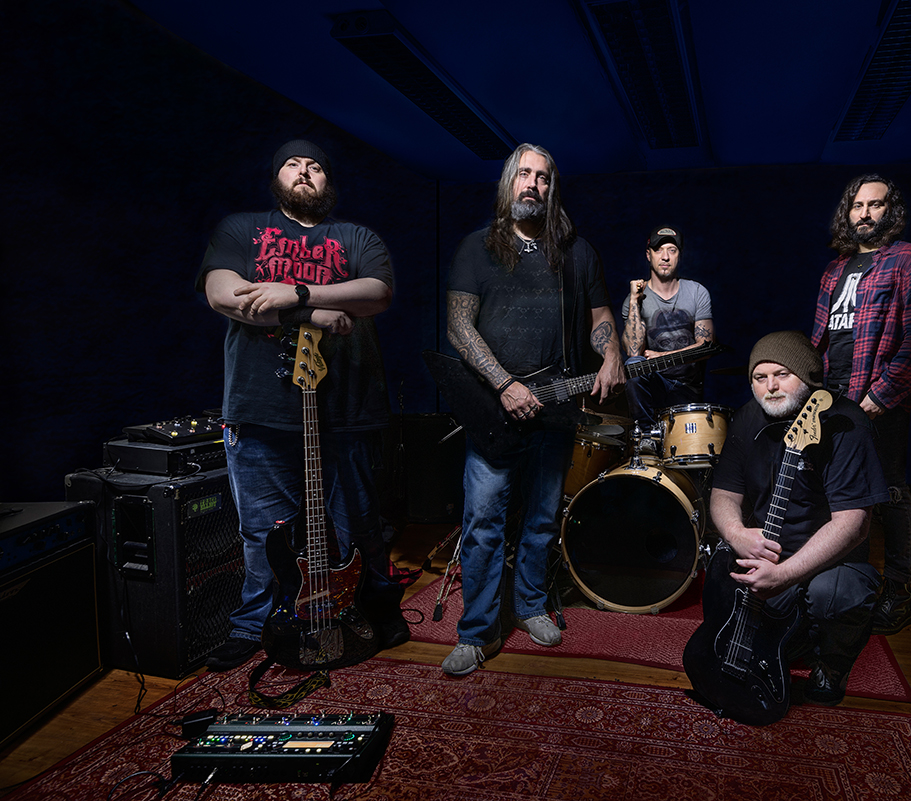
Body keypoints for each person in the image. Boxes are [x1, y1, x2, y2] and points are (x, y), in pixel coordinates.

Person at [197, 139, 407, 671]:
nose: (306, 171)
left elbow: (377, 292)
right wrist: (312, 315)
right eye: (294, 164)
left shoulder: (356, 236)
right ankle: (256, 625)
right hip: (258, 405)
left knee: (358, 522)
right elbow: (224, 294)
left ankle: (374, 611)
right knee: (264, 532)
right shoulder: (241, 230)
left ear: (327, 181)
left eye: (316, 166)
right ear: (278, 178)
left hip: (347, 407)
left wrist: (296, 293)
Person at [442, 143, 624, 677]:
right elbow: (458, 326)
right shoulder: (476, 248)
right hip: (494, 410)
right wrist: (503, 384)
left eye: (543, 178)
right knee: (483, 524)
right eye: (524, 174)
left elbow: (600, 315)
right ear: (508, 183)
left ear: (551, 189)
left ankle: (529, 606)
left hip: (557, 408)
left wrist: (611, 350)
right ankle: (476, 633)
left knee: (542, 521)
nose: (533, 185)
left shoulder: (576, 251)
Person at [707, 330, 889, 706]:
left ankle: (832, 664)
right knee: (719, 565)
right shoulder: (746, 419)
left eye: (782, 374)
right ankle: (781, 638)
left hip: (827, 560)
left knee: (835, 595)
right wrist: (738, 533)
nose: (770, 386)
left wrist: (785, 575)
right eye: (760, 377)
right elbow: (723, 495)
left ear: (808, 377)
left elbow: (852, 523)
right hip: (768, 551)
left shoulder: (845, 423)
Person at [811, 174, 911, 635]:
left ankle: (899, 591)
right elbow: (819, 342)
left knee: (888, 491)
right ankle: (854, 584)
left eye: (875, 204)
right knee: (841, 495)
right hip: (834, 398)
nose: (864, 213)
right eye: (857, 206)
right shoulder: (834, 270)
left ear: (891, 210)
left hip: (877, 399)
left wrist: (875, 400)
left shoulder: (910, 260)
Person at [620, 226, 714, 432]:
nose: (665, 257)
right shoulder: (634, 299)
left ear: (679, 255)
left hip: (687, 389)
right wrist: (635, 301)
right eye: (658, 250)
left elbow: (706, 348)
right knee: (634, 364)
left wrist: (662, 357)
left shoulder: (697, 292)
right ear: (648, 255)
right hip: (656, 387)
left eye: (672, 250)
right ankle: (645, 435)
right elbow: (633, 353)